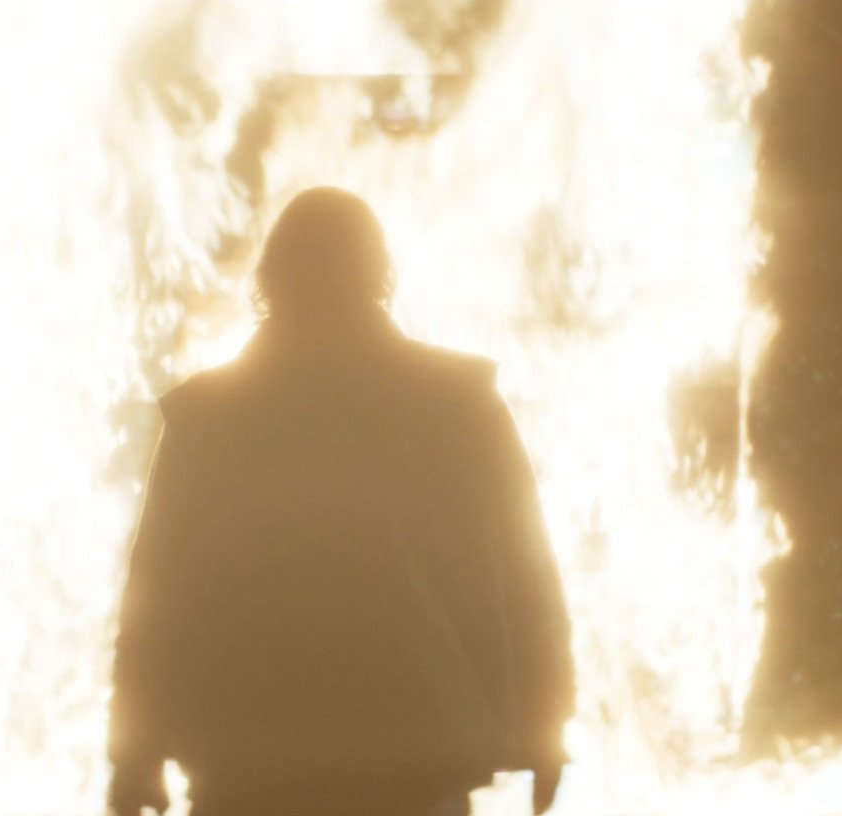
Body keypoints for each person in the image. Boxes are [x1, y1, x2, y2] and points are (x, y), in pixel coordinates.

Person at [107, 187, 576, 816]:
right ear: (377, 274)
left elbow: (159, 595)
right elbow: (525, 575)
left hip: (247, 762)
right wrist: (546, 727)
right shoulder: (457, 404)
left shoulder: (209, 419)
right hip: (412, 758)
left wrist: (134, 756)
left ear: (271, 279)